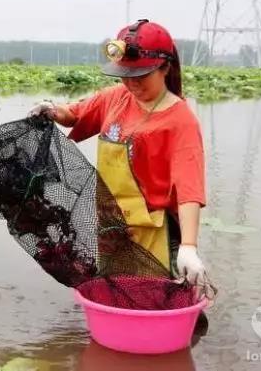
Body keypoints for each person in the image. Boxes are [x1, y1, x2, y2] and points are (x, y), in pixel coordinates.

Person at [29, 19, 207, 286]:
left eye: (141, 76)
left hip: (153, 231)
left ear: (166, 67)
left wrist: (189, 246)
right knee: (116, 291)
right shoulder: (115, 98)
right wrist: (53, 111)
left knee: (155, 298)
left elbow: (189, 189)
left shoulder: (181, 120)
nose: (132, 83)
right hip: (111, 226)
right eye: (126, 75)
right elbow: (75, 115)